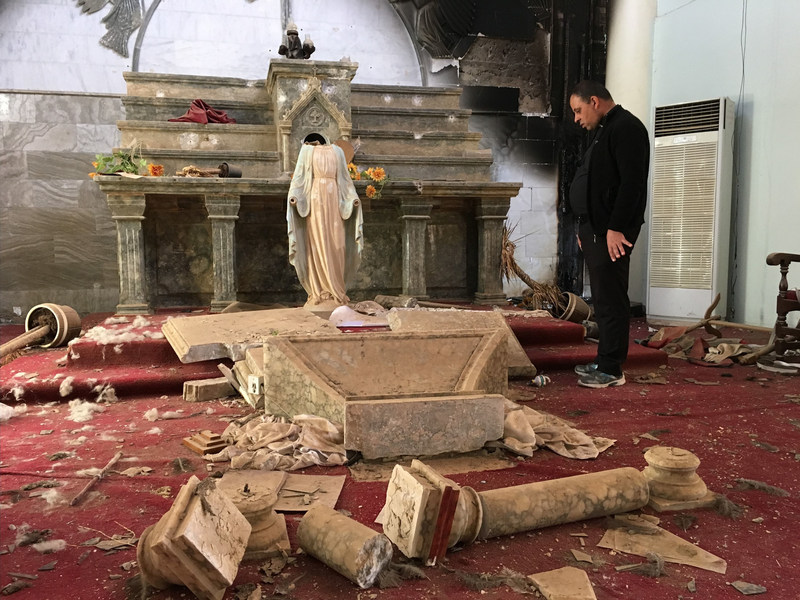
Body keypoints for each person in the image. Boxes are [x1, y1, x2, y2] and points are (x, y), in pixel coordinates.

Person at [568, 80, 650, 388]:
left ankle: (612, 369)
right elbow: (592, 182)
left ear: (594, 101)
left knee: (612, 297)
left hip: (612, 231)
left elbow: (632, 185)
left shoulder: (627, 128)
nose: (577, 119)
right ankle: (604, 360)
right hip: (595, 229)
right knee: (601, 298)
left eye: (579, 110)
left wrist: (615, 228)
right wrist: (583, 226)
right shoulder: (604, 130)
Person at [287, 135, 363, 312]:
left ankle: (337, 291)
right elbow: (298, 177)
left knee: (337, 244)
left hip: (335, 198)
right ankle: (319, 291)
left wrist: (352, 199)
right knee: (317, 241)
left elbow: (345, 179)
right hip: (315, 199)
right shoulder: (306, 151)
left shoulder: (337, 151)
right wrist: (295, 196)